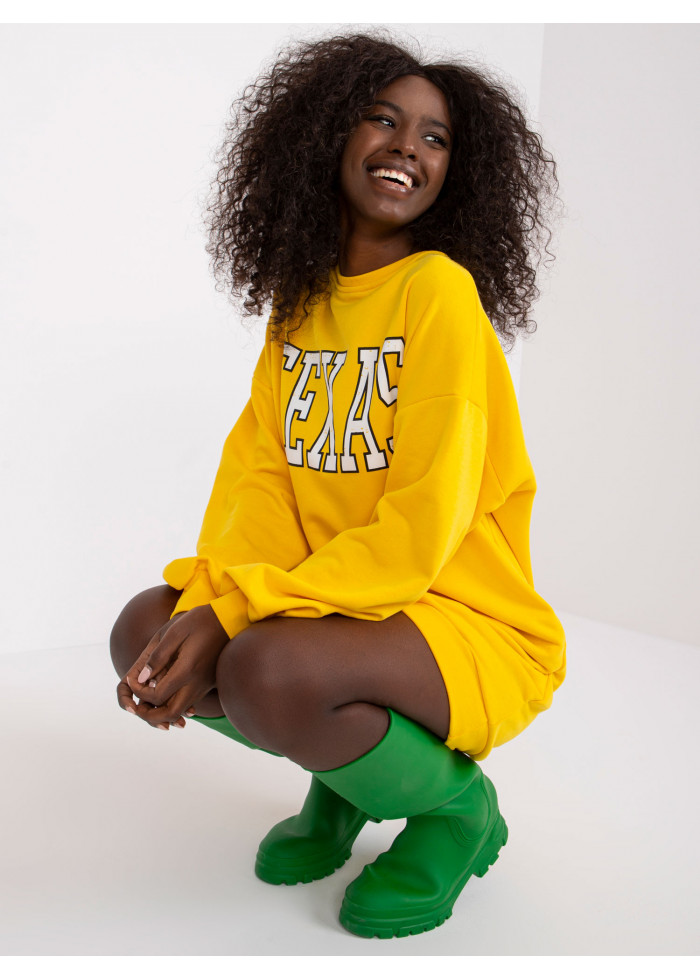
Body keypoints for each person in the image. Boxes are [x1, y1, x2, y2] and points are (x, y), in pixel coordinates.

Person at [110, 32, 566, 940]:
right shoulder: (299, 306)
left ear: (458, 172)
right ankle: (346, 777)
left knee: (265, 668)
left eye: (435, 137)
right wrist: (215, 602)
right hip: (340, 608)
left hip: (456, 615)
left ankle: (457, 811)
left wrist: (239, 616)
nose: (407, 147)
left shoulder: (438, 294)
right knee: (145, 629)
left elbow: (418, 531)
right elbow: (261, 491)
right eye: (383, 120)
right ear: (327, 135)